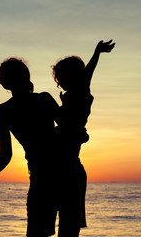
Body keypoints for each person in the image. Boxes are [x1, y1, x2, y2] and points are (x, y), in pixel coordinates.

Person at [0, 57, 59, 237]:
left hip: (52, 174)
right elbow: (5, 155)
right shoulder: (40, 100)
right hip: (49, 174)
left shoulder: (6, 110)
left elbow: (5, 155)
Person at [51, 39, 115, 237]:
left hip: (69, 164)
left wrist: (96, 53)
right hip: (69, 161)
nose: (58, 81)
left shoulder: (79, 91)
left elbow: (88, 74)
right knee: (69, 221)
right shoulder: (74, 93)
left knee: (69, 223)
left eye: (60, 77)